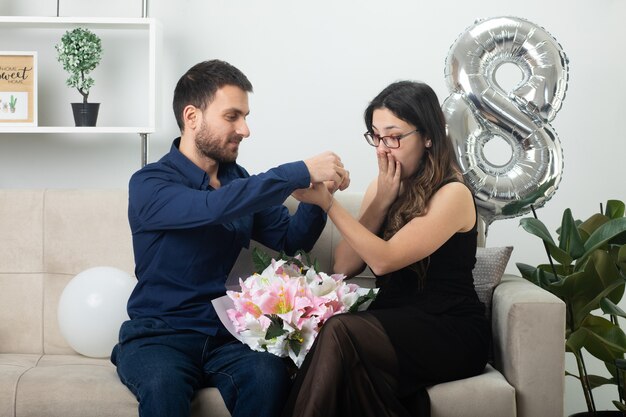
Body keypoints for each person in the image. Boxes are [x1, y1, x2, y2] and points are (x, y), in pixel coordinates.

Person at [110, 59, 349, 417]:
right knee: (163, 388)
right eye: (232, 116)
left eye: (246, 116)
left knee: (269, 376)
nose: (245, 129)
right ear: (192, 117)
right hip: (160, 337)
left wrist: (319, 196)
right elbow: (211, 208)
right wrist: (297, 171)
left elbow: (288, 240)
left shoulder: (240, 181)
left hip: (228, 338)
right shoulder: (150, 183)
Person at [283, 81, 490, 417]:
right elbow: (344, 265)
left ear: (427, 137)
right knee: (348, 361)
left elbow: (383, 261)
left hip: (449, 329)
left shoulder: (453, 194)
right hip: (393, 322)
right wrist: (381, 199)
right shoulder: (382, 188)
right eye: (376, 137)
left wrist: (328, 204)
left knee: (340, 330)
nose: (382, 149)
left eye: (393, 137)